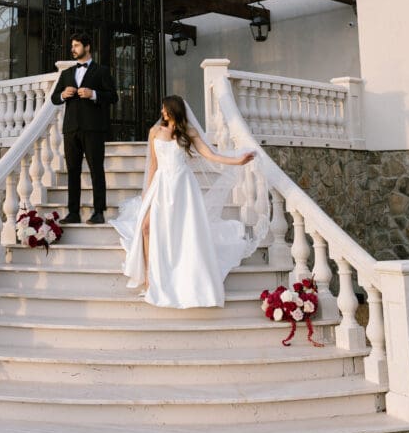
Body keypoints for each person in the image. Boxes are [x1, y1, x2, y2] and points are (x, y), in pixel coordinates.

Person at [110, 95, 258, 308]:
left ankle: (183, 276)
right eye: (162, 109)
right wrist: (147, 192)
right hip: (161, 186)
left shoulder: (189, 133)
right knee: (146, 227)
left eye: (165, 108)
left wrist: (238, 160)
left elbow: (212, 155)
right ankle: (151, 277)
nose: (162, 112)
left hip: (183, 188)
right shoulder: (155, 132)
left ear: (173, 110)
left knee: (182, 232)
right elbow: (152, 165)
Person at [51, 32, 118, 225]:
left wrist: (94, 93)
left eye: (77, 45)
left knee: (96, 169)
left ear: (87, 47)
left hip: (94, 128)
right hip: (71, 129)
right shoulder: (66, 74)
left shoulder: (102, 71)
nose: (73, 49)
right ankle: (73, 212)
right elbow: (54, 98)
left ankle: (99, 212)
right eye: (72, 46)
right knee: (72, 170)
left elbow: (113, 97)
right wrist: (63, 94)